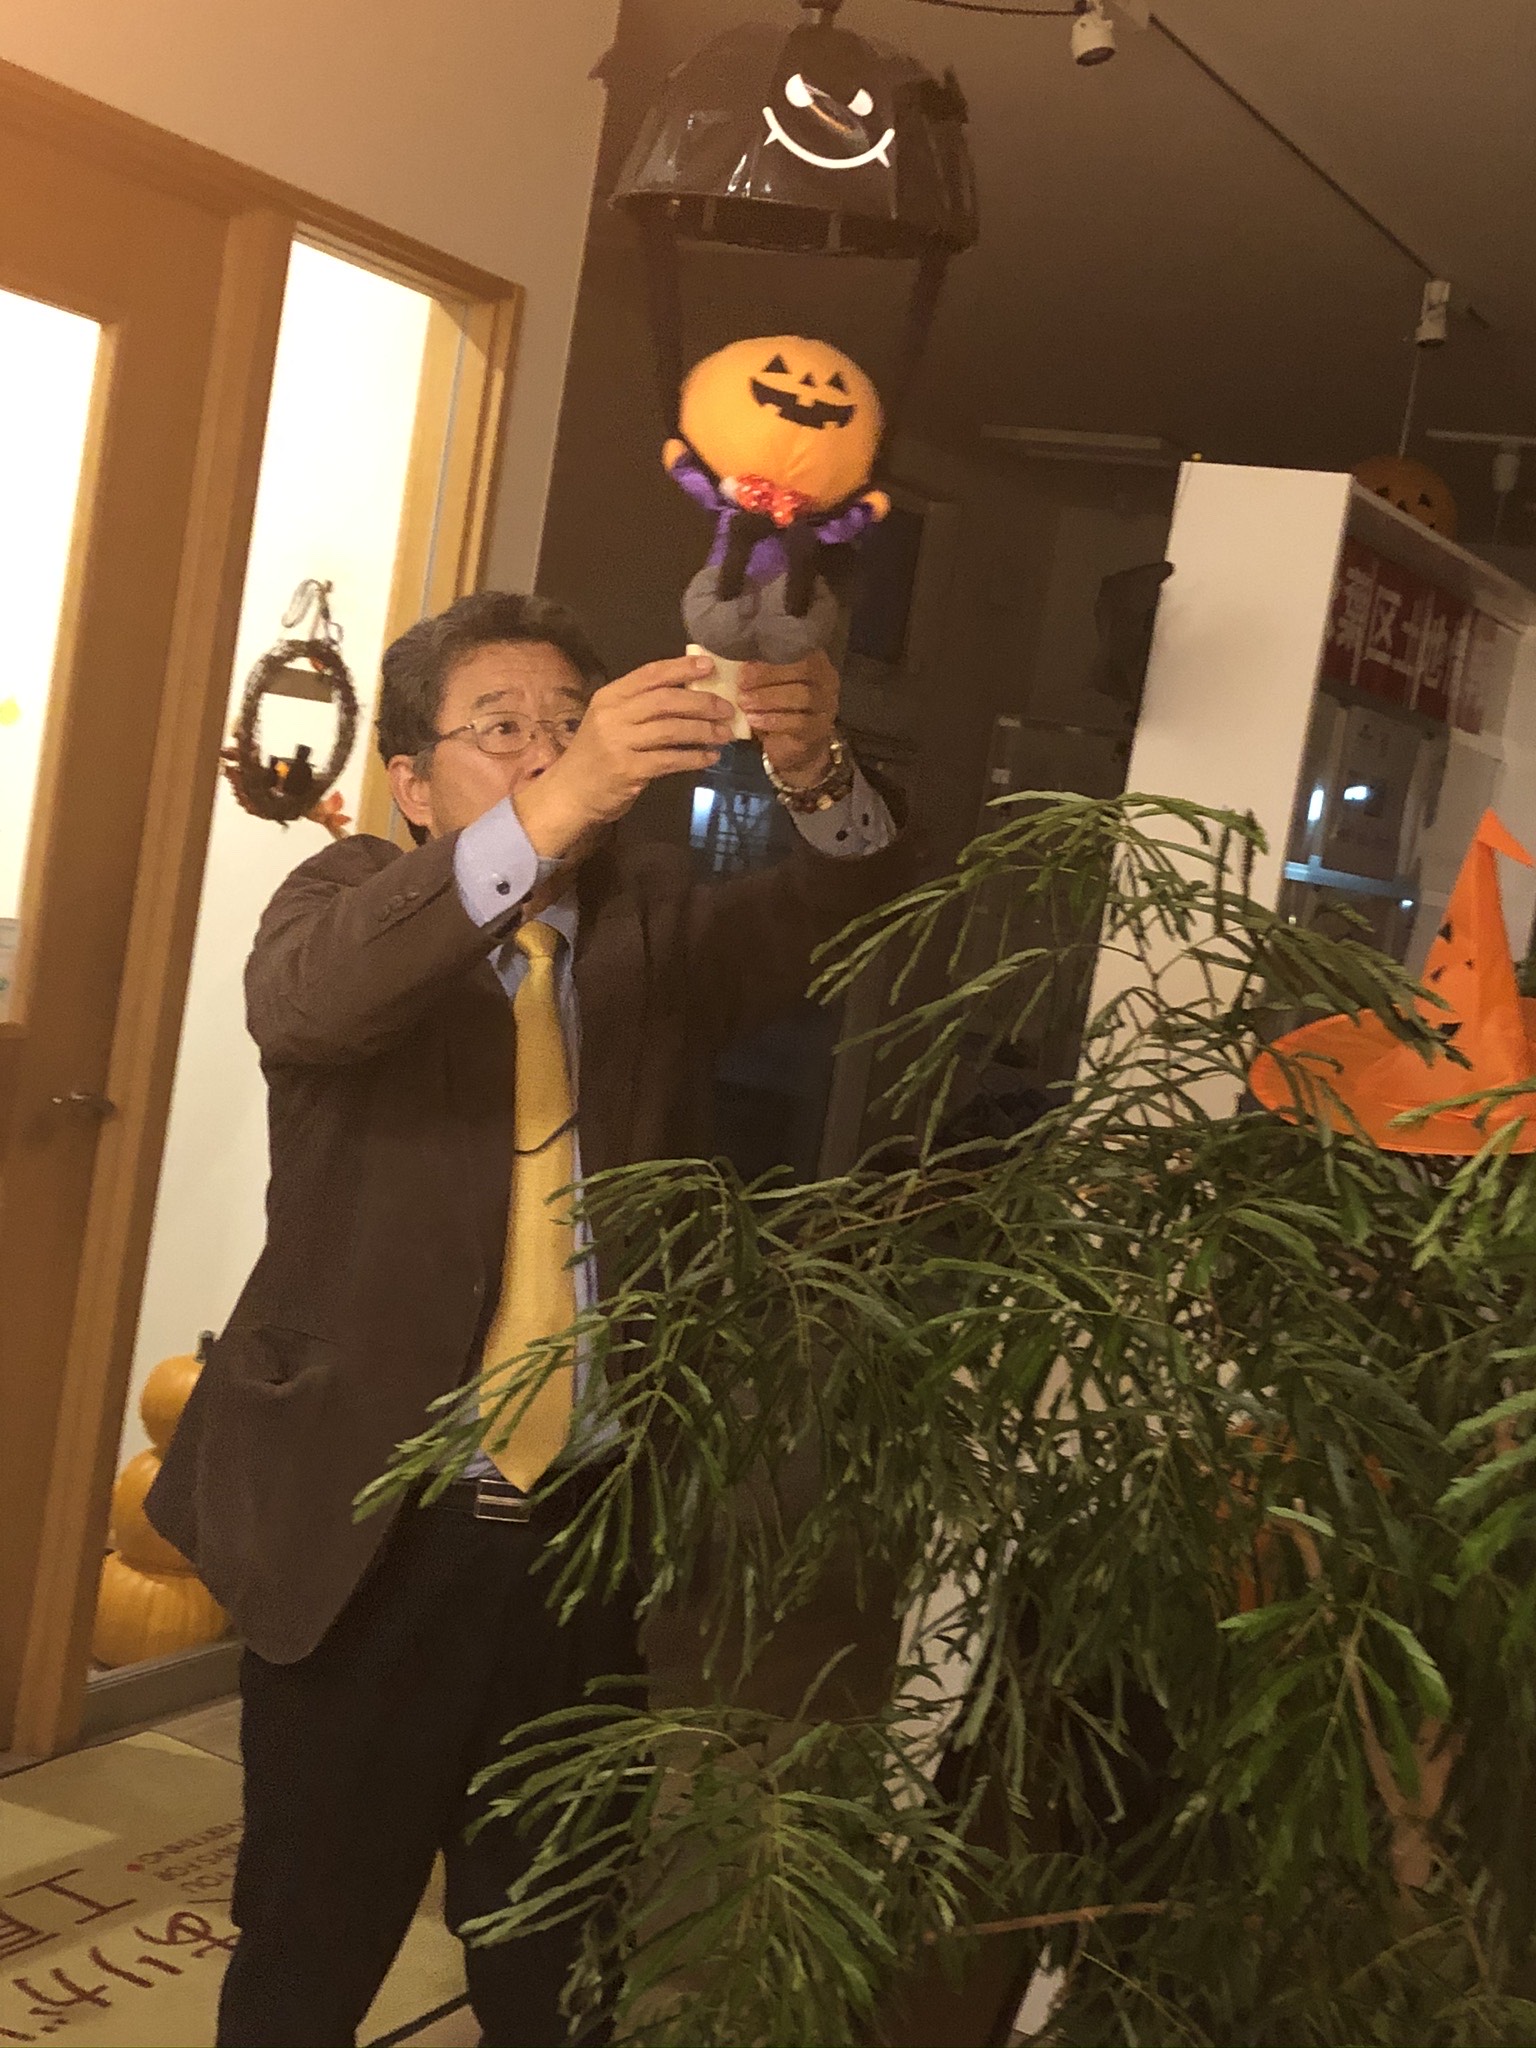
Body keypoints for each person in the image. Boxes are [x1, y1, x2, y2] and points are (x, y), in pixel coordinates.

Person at [147, 591, 909, 2048]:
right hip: (369, 1530)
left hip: (584, 1530)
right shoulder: (346, 906)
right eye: (501, 730)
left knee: (560, 1958)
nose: (549, 752)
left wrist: (814, 771)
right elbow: (310, 1007)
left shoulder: (645, 931)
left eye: (571, 723)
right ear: (413, 783)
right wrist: (559, 801)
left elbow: (847, 908)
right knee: (308, 1953)